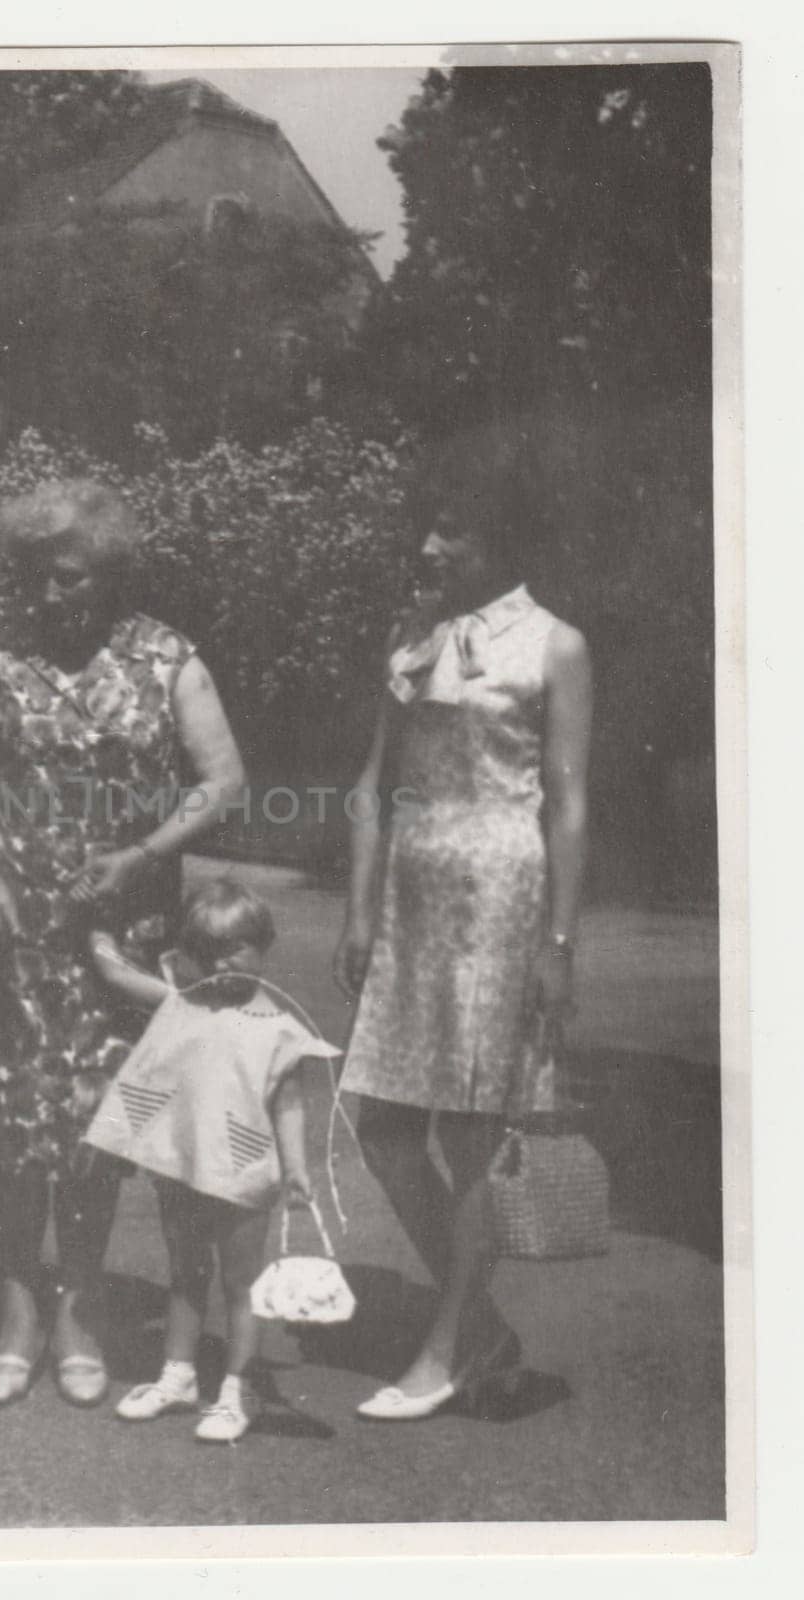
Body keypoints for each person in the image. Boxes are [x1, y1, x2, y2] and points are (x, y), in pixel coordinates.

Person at [0, 479, 245, 1408]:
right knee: (15, 1123)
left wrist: (142, 854)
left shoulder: (167, 658)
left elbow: (221, 781)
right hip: (3, 931)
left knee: (99, 1126)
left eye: (75, 578)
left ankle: (82, 1308)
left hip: (116, 933)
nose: (55, 595)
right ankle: (19, 1304)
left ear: (112, 575)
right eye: (41, 577)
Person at [333, 439, 593, 1420]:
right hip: (410, 904)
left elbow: (567, 807)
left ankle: (445, 1347)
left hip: (499, 901)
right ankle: (478, 1326)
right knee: (384, 1126)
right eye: (428, 526)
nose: (431, 545)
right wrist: (360, 909)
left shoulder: (555, 644)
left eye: (453, 529)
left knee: (476, 1134)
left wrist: (557, 946)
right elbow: (373, 787)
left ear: (503, 541)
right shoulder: (411, 637)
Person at [82, 878, 340, 1443]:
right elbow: (119, 974)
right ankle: (178, 1375)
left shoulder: (278, 1028)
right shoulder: (182, 999)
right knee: (185, 1273)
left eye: (237, 947)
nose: (222, 962)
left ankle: (238, 1387)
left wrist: (297, 1168)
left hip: (244, 1169)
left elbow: (290, 1103)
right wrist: (98, 930)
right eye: (206, 950)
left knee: (240, 1283)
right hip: (184, 1162)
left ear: (264, 945)